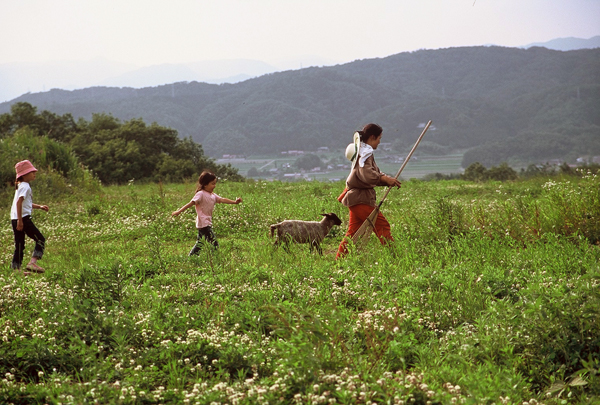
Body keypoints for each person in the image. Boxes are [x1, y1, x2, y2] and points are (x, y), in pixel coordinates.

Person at [336, 123, 401, 258]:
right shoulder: (366, 154)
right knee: (382, 225)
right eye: (379, 138)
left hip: (356, 197)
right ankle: (395, 256)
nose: (379, 142)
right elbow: (367, 175)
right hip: (360, 198)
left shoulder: (362, 152)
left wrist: (386, 179)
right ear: (372, 137)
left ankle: (339, 260)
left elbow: (371, 174)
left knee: (353, 232)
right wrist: (384, 179)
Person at [172, 170, 242, 255]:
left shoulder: (212, 195)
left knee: (200, 243)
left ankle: (191, 257)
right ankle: (215, 258)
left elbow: (222, 199)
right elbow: (191, 203)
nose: (214, 186)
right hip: (203, 223)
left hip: (206, 223)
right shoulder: (200, 194)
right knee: (214, 243)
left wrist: (235, 202)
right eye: (212, 184)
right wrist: (179, 212)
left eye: (215, 183)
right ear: (205, 184)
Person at [11, 160, 49, 274]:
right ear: (24, 174)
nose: (34, 173)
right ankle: (32, 263)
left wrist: (40, 207)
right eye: (31, 172)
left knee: (19, 244)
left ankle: (16, 269)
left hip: (15, 218)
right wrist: (20, 221)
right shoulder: (25, 187)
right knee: (40, 239)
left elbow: (25, 203)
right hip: (23, 218)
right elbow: (19, 203)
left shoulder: (21, 186)